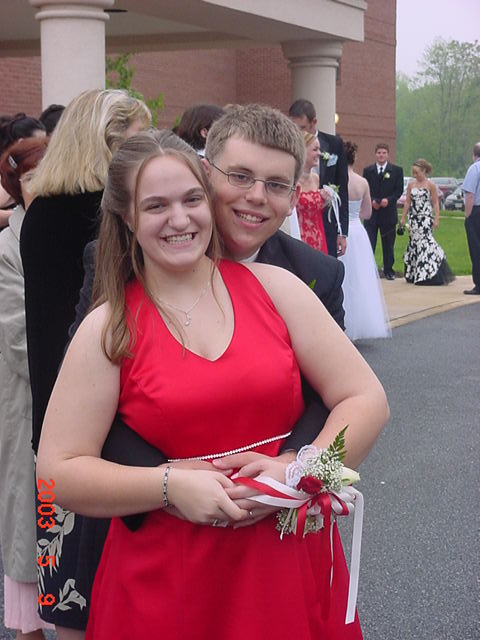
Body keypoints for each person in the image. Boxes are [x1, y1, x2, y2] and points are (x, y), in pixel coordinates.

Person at [37, 127, 389, 640]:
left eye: (191, 200)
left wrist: (299, 470)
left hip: (285, 560)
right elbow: (55, 473)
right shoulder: (108, 328)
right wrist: (167, 486)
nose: (180, 219)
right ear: (127, 218)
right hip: (168, 577)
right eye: (156, 205)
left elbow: (366, 398)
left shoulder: (278, 290)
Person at [19, 88, 151, 639]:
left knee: (64, 588)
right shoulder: (106, 216)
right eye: (137, 140)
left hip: (49, 409)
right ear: (108, 142)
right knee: (109, 583)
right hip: (102, 417)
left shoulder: (39, 212)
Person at [0, 138, 52, 640]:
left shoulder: (69, 232)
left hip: (66, 404)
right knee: (29, 535)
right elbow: (19, 342)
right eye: (31, 178)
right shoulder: (7, 247)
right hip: (28, 404)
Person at [339, 142, 390, 339]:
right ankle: (358, 324)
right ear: (354, 158)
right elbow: (367, 213)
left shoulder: (336, 180)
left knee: (343, 277)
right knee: (359, 279)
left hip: (341, 232)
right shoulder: (362, 182)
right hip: (357, 232)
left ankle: (342, 322)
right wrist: (354, 215)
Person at [288, 99, 349, 257]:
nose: (298, 132)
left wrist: (342, 232)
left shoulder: (334, 144)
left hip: (326, 223)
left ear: (313, 122)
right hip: (297, 224)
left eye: (302, 127)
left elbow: (342, 188)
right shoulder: (288, 145)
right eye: (294, 127)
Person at [399, 159, 454, 286]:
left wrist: (436, 218)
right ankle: (413, 272)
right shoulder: (411, 185)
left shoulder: (430, 185)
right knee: (414, 243)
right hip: (414, 219)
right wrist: (403, 217)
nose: (415, 175)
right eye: (413, 173)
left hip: (425, 219)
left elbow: (435, 202)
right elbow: (407, 202)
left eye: (417, 172)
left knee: (425, 243)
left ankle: (428, 273)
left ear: (424, 171)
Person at [362, 143, 404, 280]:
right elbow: (365, 189)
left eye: (384, 153)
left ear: (388, 155)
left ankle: (388, 270)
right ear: (375, 154)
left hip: (388, 213)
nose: (381, 155)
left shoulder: (396, 171)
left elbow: (398, 190)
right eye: (379, 153)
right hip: (372, 213)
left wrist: (389, 200)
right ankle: (368, 270)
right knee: (370, 242)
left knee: (388, 244)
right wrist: (372, 201)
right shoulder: (368, 171)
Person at [295, 131, 328, 253]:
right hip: (298, 238)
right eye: (315, 149)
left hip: (317, 238)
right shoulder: (293, 179)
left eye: (319, 149)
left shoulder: (316, 178)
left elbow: (314, 210)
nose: (319, 153)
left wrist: (325, 201)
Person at [462, 142, 480, 295]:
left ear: (474, 155)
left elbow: (470, 194)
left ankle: (479, 284)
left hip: (476, 212)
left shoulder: (474, 169)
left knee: (476, 248)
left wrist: (467, 215)